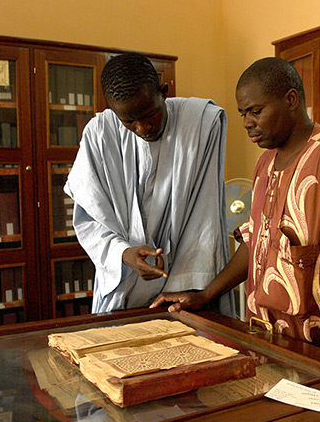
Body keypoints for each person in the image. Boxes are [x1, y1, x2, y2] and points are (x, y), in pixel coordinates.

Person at [152, 57, 320, 396]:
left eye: (255, 111)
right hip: (267, 347)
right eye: (243, 113)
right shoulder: (264, 163)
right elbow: (255, 240)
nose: (247, 123)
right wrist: (206, 295)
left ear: (291, 100)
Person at [65, 52, 233, 315]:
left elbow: (205, 215)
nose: (143, 128)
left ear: (163, 92)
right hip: (123, 284)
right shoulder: (99, 134)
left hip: (185, 290)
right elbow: (89, 218)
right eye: (129, 121)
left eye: (149, 114)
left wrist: (186, 284)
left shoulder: (200, 123)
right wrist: (124, 253)